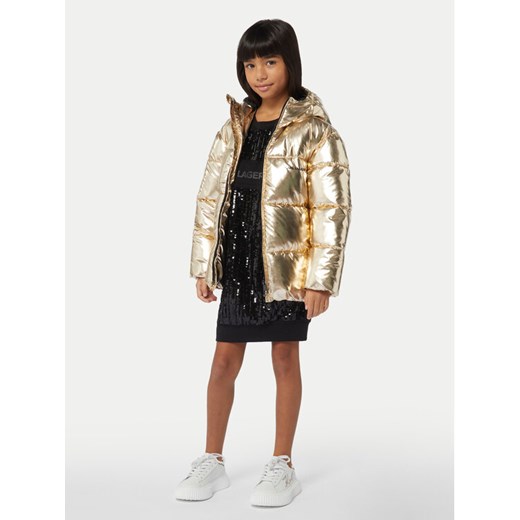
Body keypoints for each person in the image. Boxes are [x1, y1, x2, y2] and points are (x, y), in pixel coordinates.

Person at [176, 18, 352, 507]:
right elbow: (209, 198)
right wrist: (204, 265)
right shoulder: (234, 126)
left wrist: (320, 280)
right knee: (223, 360)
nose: (260, 74)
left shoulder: (315, 131)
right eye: (250, 64)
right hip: (238, 260)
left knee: (284, 356)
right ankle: (212, 459)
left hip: (286, 268)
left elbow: (332, 210)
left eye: (270, 62)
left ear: (290, 62)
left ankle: (282, 464)